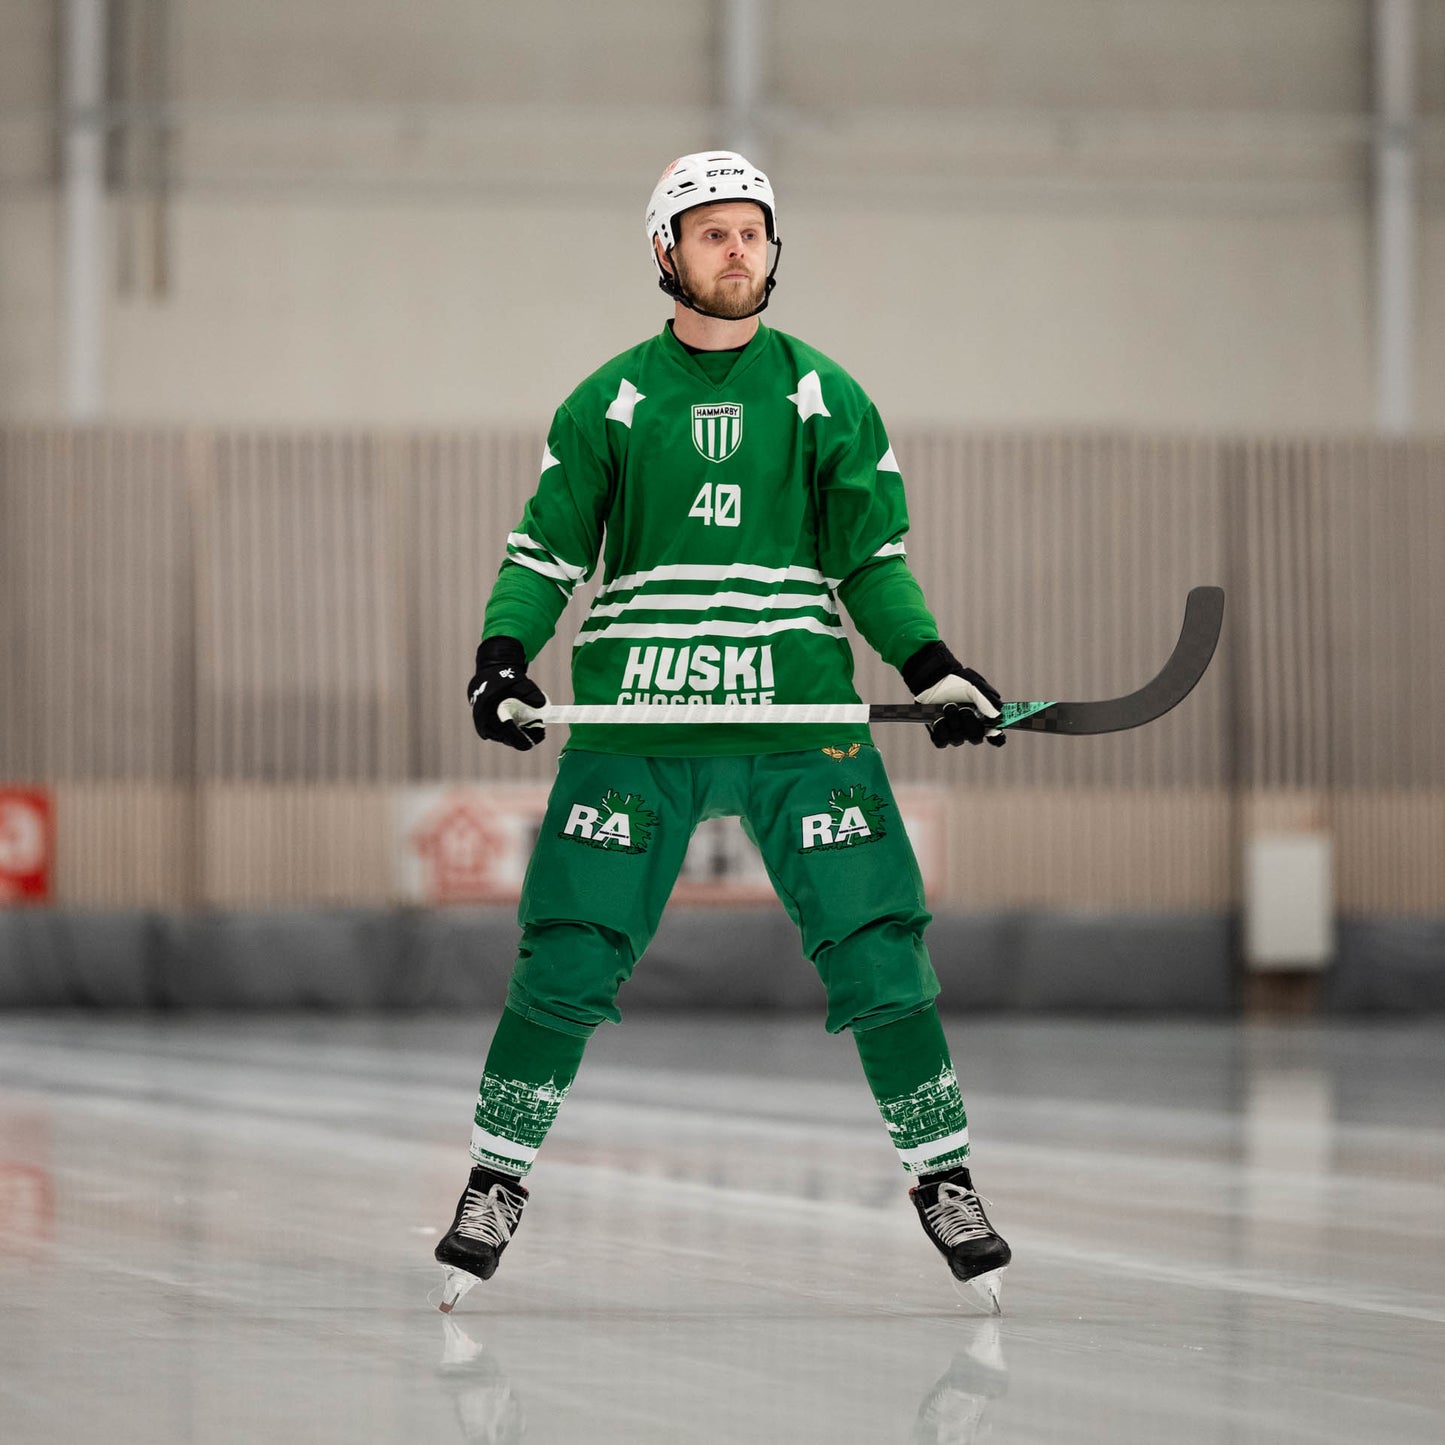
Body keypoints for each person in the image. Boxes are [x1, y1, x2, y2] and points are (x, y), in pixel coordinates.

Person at [434, 151, 1011, 1314]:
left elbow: (871, 560)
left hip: (797, 716)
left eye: (751, 230)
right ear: (666, 252)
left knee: (878, 942)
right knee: (567, 949)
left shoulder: (825, 394)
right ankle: (495, 1180)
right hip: (638, 718)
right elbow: (545, 554)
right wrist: (501, 657)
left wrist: (929, 665)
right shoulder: (606, 400)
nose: (736, 249)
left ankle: (941, 1176)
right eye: (711, 232)